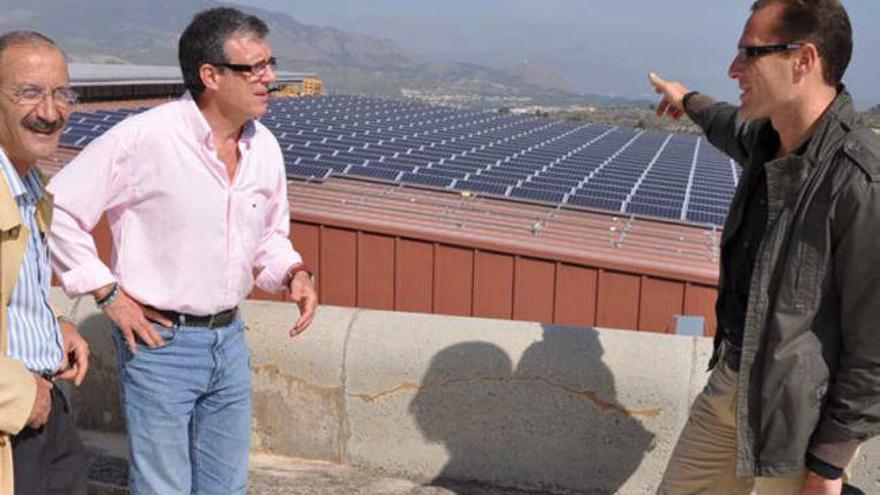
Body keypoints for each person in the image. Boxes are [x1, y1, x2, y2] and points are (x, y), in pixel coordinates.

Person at [46, 8, 318, 495]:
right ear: (210, 75)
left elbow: (269, 236)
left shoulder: (265, 148)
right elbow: (57, 208)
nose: (270, 78)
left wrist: (293, 272)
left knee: (226, 487)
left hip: (228, 339)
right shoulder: (145, 138)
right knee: (162, 487)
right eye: (252, 68)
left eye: (269, 64)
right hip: (159, 345)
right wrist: (108, 294)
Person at [649, 0, 880, 494]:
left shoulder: (859, 181)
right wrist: (685, 97)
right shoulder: (766, 139)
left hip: (801, 422)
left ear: (803, 61)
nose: (734, 69)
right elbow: (724, 122)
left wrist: (829, 462)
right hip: (731, 384)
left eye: (750, 54)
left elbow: (874, 343)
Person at [0, 31, 90, 495]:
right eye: (29, 93)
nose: (51, 112)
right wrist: (17, 397)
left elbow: (12, 289)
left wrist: (53, 325)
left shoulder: (28, 185)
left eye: (61, 94)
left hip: (47, 411)